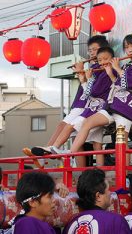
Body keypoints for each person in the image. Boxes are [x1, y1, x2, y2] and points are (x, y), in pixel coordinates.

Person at [57, 33, 132, 163]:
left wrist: (116, 68)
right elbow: (116, 82)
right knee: (87, 123)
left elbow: (129, 83)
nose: (129, 50)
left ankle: (125, 176)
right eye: (127, 47)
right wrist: (110, 72)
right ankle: (70, 152)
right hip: (113, 105)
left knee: (121, 141)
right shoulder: (127, 65)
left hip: (126, 105)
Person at [23, 35, 109, 167]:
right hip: (83, 104)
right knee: (76, 137)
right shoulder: (93, 68)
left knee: (68, 128)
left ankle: (49, 150)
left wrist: (83, 75)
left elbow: (92, 90)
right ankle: (52, 154)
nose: (91, 53)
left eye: (94, 49)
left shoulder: (102, 69)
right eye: (89, 50)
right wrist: (81, 73)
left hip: (88, 106)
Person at [62, 169, 131, 234]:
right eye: (108, 190)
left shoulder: (70, 224)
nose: (110, 193)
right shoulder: (116, 221)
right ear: (98, 196)